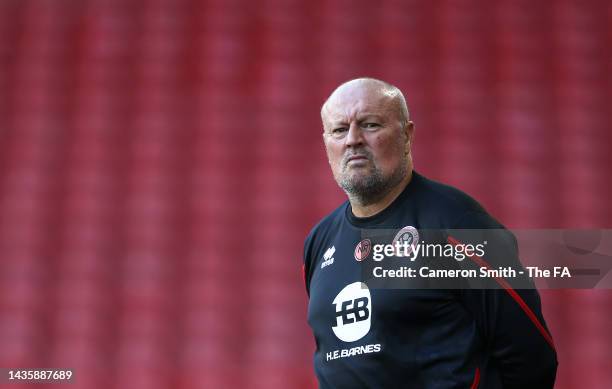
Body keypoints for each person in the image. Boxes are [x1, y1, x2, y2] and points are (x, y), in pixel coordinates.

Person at [302, 78, 558, 388]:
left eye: (370, 125)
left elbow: (532, 355)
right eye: (339, 130)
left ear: (407, 135)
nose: (353, 139)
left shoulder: (459, 223)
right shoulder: (319, 242)